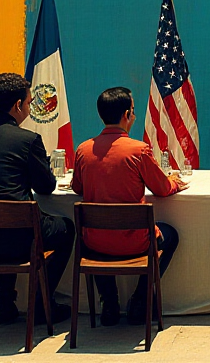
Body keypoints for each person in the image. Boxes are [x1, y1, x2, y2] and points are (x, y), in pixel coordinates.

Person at [0, 73, 75, 325]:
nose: (29, 107)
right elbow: (46, 186)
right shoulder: (28, 140)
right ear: (17, 106)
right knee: (66, 228)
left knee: (4, 216)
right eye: (29, 102)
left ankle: (4, 302)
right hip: (20, 241)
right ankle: (41, 303)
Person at [71, 87, 188, 326]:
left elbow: (76, 187)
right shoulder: (139, 150)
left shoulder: (83, 150)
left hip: (94, 242)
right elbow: (162, 189)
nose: (133, 117)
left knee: (97, 242)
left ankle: (109, 301)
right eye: (133, 112)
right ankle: (141, 300)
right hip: (135, 242)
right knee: (171, 234)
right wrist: (174, 182)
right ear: (126, 115)